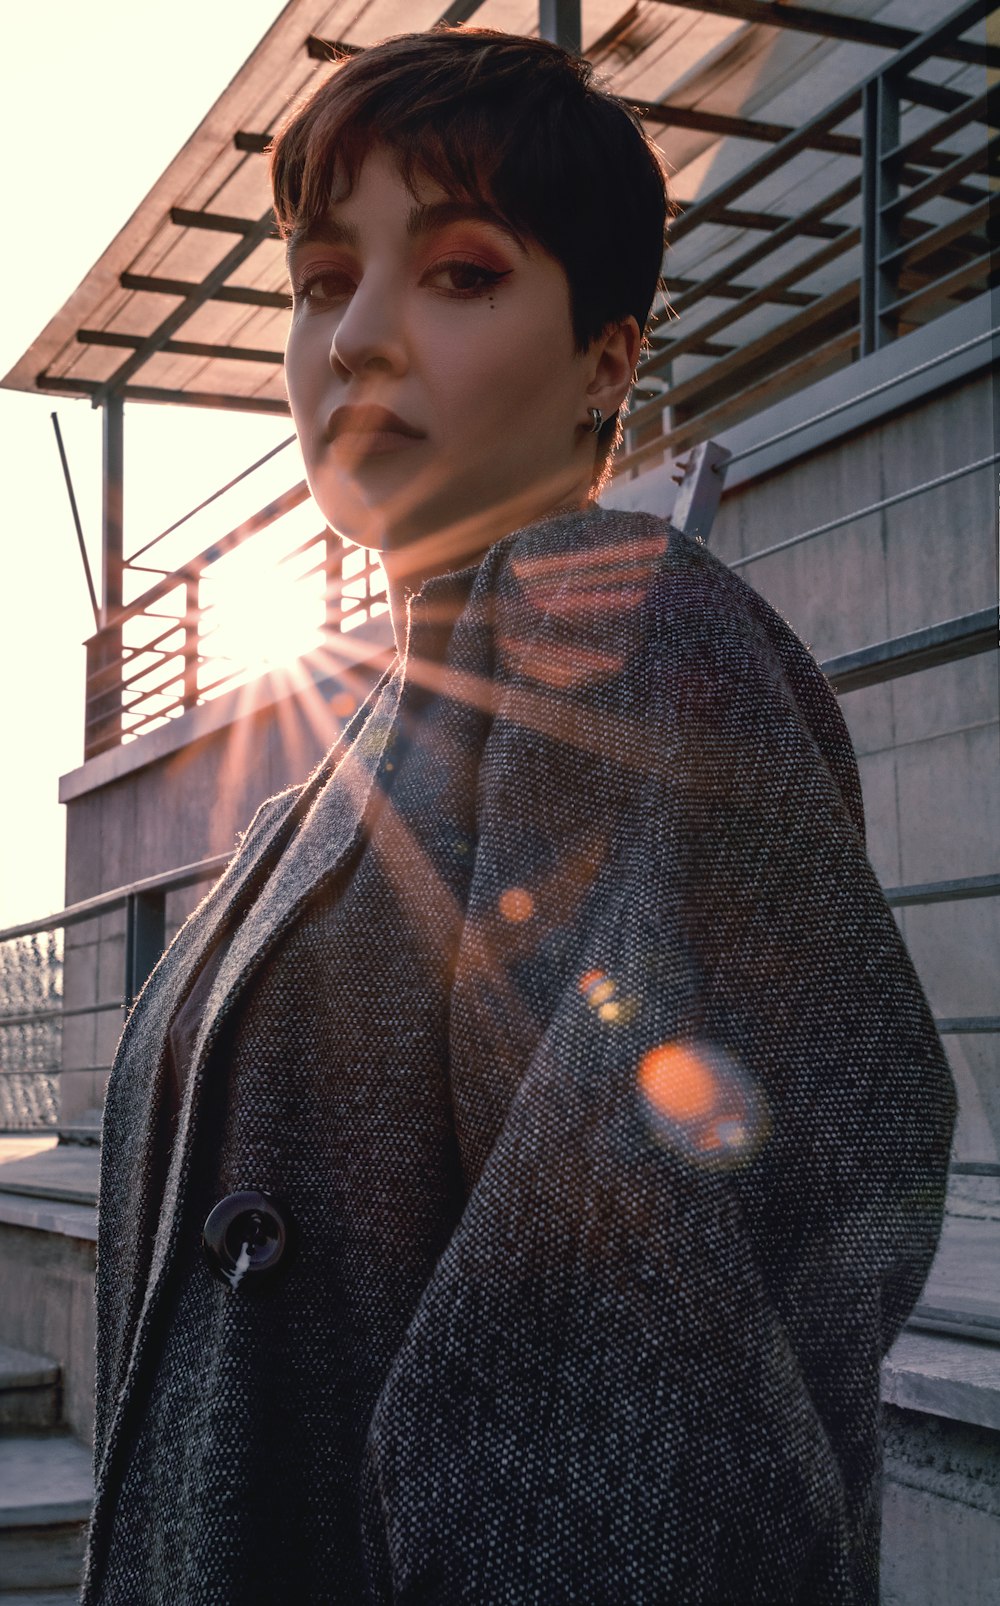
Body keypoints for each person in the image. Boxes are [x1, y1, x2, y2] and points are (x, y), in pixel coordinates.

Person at [83, 28, 956, 1606]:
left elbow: (646, 1350)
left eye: (461, 274)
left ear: (608, 364)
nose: (358, 338)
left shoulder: (630, 644)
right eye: (323, 277)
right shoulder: (334, 770)